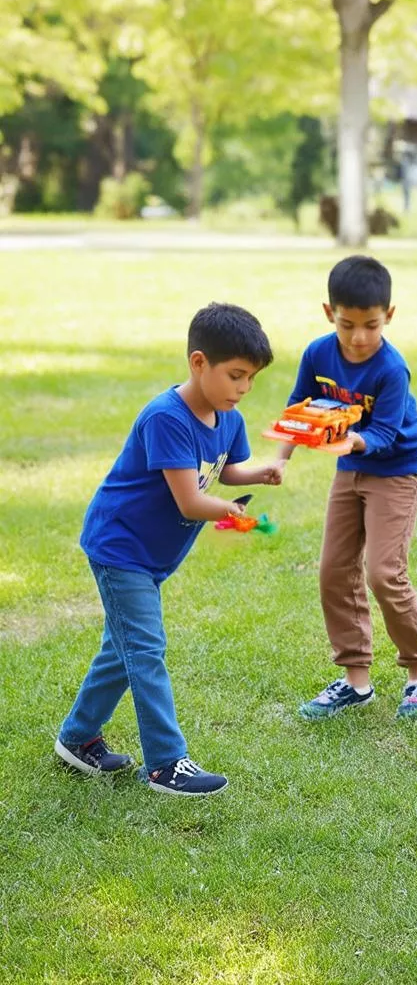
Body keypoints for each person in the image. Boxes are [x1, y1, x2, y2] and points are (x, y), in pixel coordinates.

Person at [56, 303, 280, 796]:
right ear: (199, 363)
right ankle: (165, 763)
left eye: (250, 380)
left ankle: (76, 738)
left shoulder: (227, 416)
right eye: (235, 376)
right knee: (146, 649)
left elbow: (226, 469)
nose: (242, 389)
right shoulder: (167, 418)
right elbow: (191, 499)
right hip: (121, 549)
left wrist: (258, 473)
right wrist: (234, 513)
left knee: (123, 651)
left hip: (151, 555)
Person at [278, 255, 417, 720]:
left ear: (390, 315)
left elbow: (384, 434)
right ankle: (355, 681)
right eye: (348, 325)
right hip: (349, 465)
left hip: (398, 468)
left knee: (384, 573)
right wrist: (281, 459)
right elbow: (298, 408)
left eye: (371, 324)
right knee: (333, 569)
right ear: (330, 313)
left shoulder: (391, 369)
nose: (360, 337)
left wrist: (345, 440)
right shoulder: (318, 353)